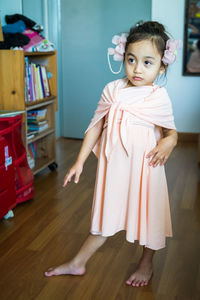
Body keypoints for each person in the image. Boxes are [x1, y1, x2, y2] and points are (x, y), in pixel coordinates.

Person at [45, 21, 181, 288]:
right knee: (106, 213)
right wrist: (80, 160)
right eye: (131, 60)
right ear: (123, 57)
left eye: (147, 62)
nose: (137, 69)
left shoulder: (158, 97)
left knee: (148, 213)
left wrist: (169, 143)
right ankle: (77, 263)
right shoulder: (112, 90)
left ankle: (146, 263)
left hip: (146, 167)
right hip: (114, 167)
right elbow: (96, 126)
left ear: (161, 66)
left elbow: (171, 132)